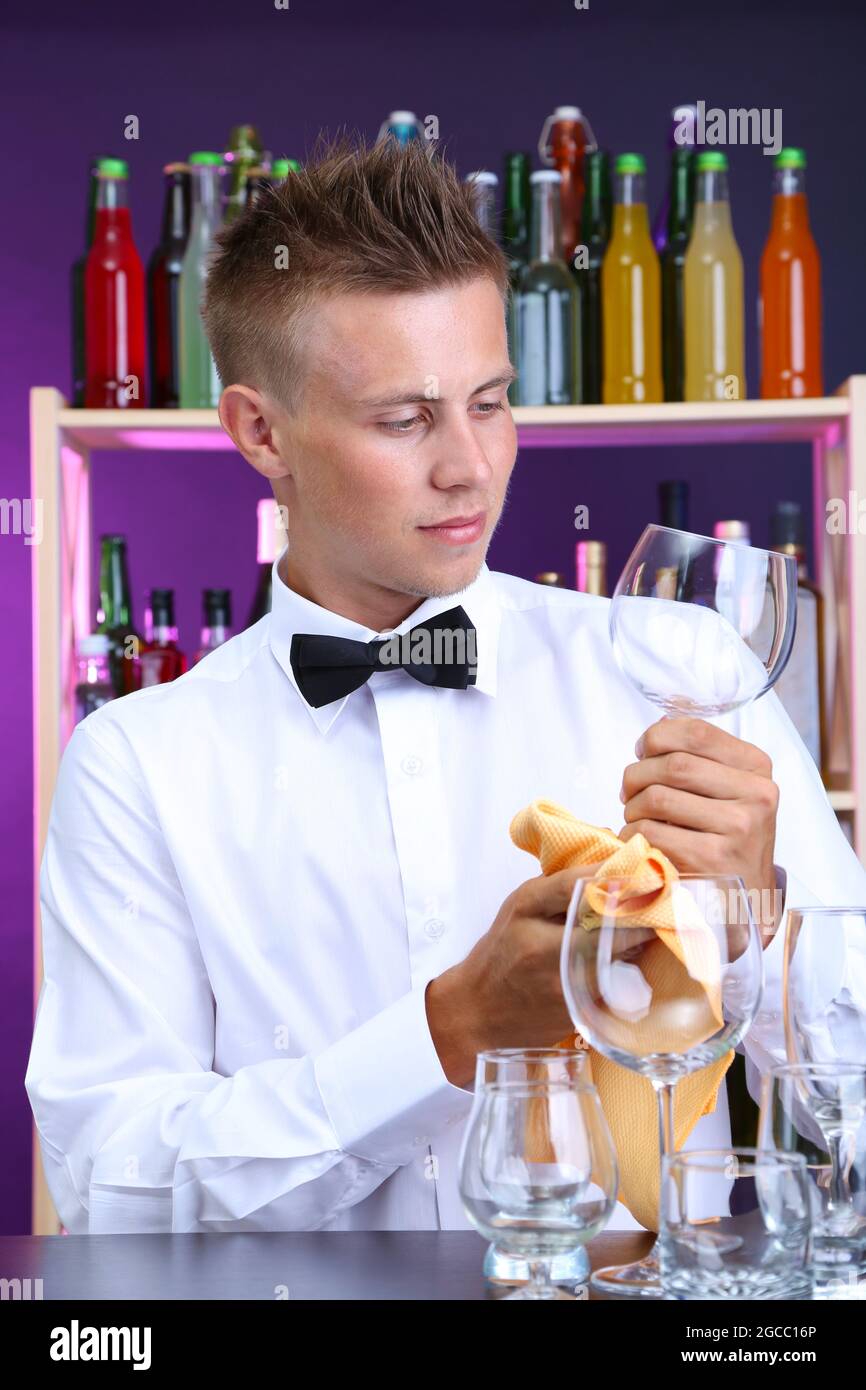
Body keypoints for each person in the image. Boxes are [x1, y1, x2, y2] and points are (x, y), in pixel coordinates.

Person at [26, 134, 866, 1234]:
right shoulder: (134, 763)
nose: (470, 464)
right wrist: (446, 1031)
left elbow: (849, 1096)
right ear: (258, 430)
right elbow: (112, 1187)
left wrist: (754, 925)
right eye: (405, 418)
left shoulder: (682, 671)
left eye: (490, 399)